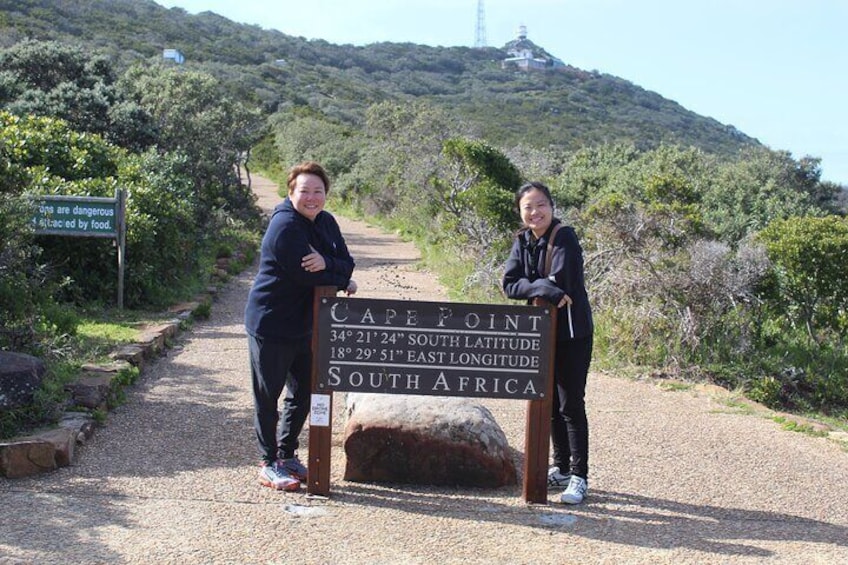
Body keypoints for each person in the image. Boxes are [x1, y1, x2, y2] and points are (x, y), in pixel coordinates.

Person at [245, 161, 357, 491]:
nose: (312, 197)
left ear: (326, 194)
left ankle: (287, 454)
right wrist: (337, 274)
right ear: (290, 192)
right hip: (272, 322)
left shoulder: (327, 222)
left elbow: (346, 263)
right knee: (268, 396)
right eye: (304, 191)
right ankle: (268, 463)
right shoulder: (284, 226)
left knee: (305, 393)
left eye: (318, 191)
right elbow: (305, 274)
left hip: (308, 324)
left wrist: (330, 265)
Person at [502, 181, 593, 504]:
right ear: (520, 211)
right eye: (527, 206)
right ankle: (563, 467)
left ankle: (580, 476)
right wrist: (544, 288)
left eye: (540, 205)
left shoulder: (564, 237)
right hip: (540, 335)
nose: (534, 212)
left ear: (551, 207)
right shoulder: (523, 240)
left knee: (570, 405)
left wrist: (539, 285)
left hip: (572, 335)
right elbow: (510, 284)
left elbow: (563, 280)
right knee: (549, 404)